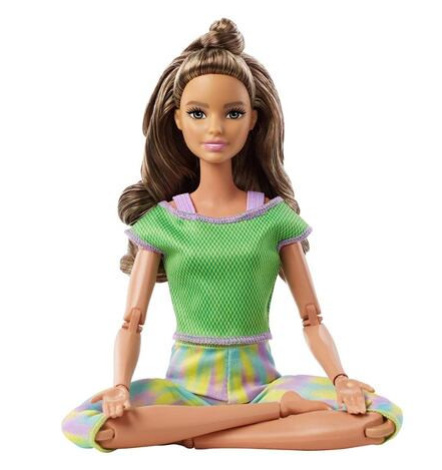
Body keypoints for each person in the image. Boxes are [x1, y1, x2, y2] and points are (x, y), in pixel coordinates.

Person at [61, 18, 403, 452]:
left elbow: (312, 318)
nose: (216, 128)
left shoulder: (274, 218)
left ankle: (197, 434)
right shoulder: (163, 222)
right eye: (198, 113)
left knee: (377, 419)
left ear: (253, 120)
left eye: (233, 113)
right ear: (178, 119)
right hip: (183, 391)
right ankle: (274, 418)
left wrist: (340, 378)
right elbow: (132, 321)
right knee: (92, 426)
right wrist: (120, 387)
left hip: (262, 385)